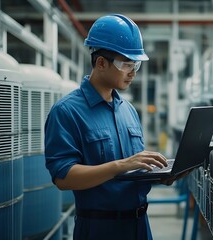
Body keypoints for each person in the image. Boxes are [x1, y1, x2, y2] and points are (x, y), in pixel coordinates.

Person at [44, 14, 188, 240]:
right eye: (126, 64)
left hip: (140, 226)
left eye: (136, 64)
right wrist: (120, 166)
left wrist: (159, 175)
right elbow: (63, 178)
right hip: (99, 229)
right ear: (101, 62)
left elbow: (132, 170)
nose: (133, 71)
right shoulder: (66, 112)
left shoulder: (128, 110)